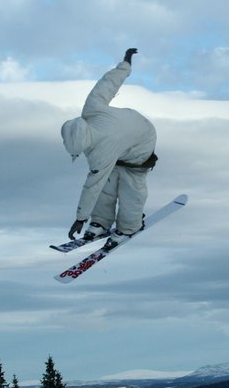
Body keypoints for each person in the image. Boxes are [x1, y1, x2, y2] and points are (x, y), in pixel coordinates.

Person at [61, 49, 157, 251]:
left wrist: (80, 218)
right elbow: (106, 85)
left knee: (130, 185)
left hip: (142, 140)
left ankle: (129, 227)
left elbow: (92, 186)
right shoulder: (90, 110)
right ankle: (101, 221)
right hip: (125, 132)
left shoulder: (101, 152)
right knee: (108, 180)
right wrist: (125, 65)